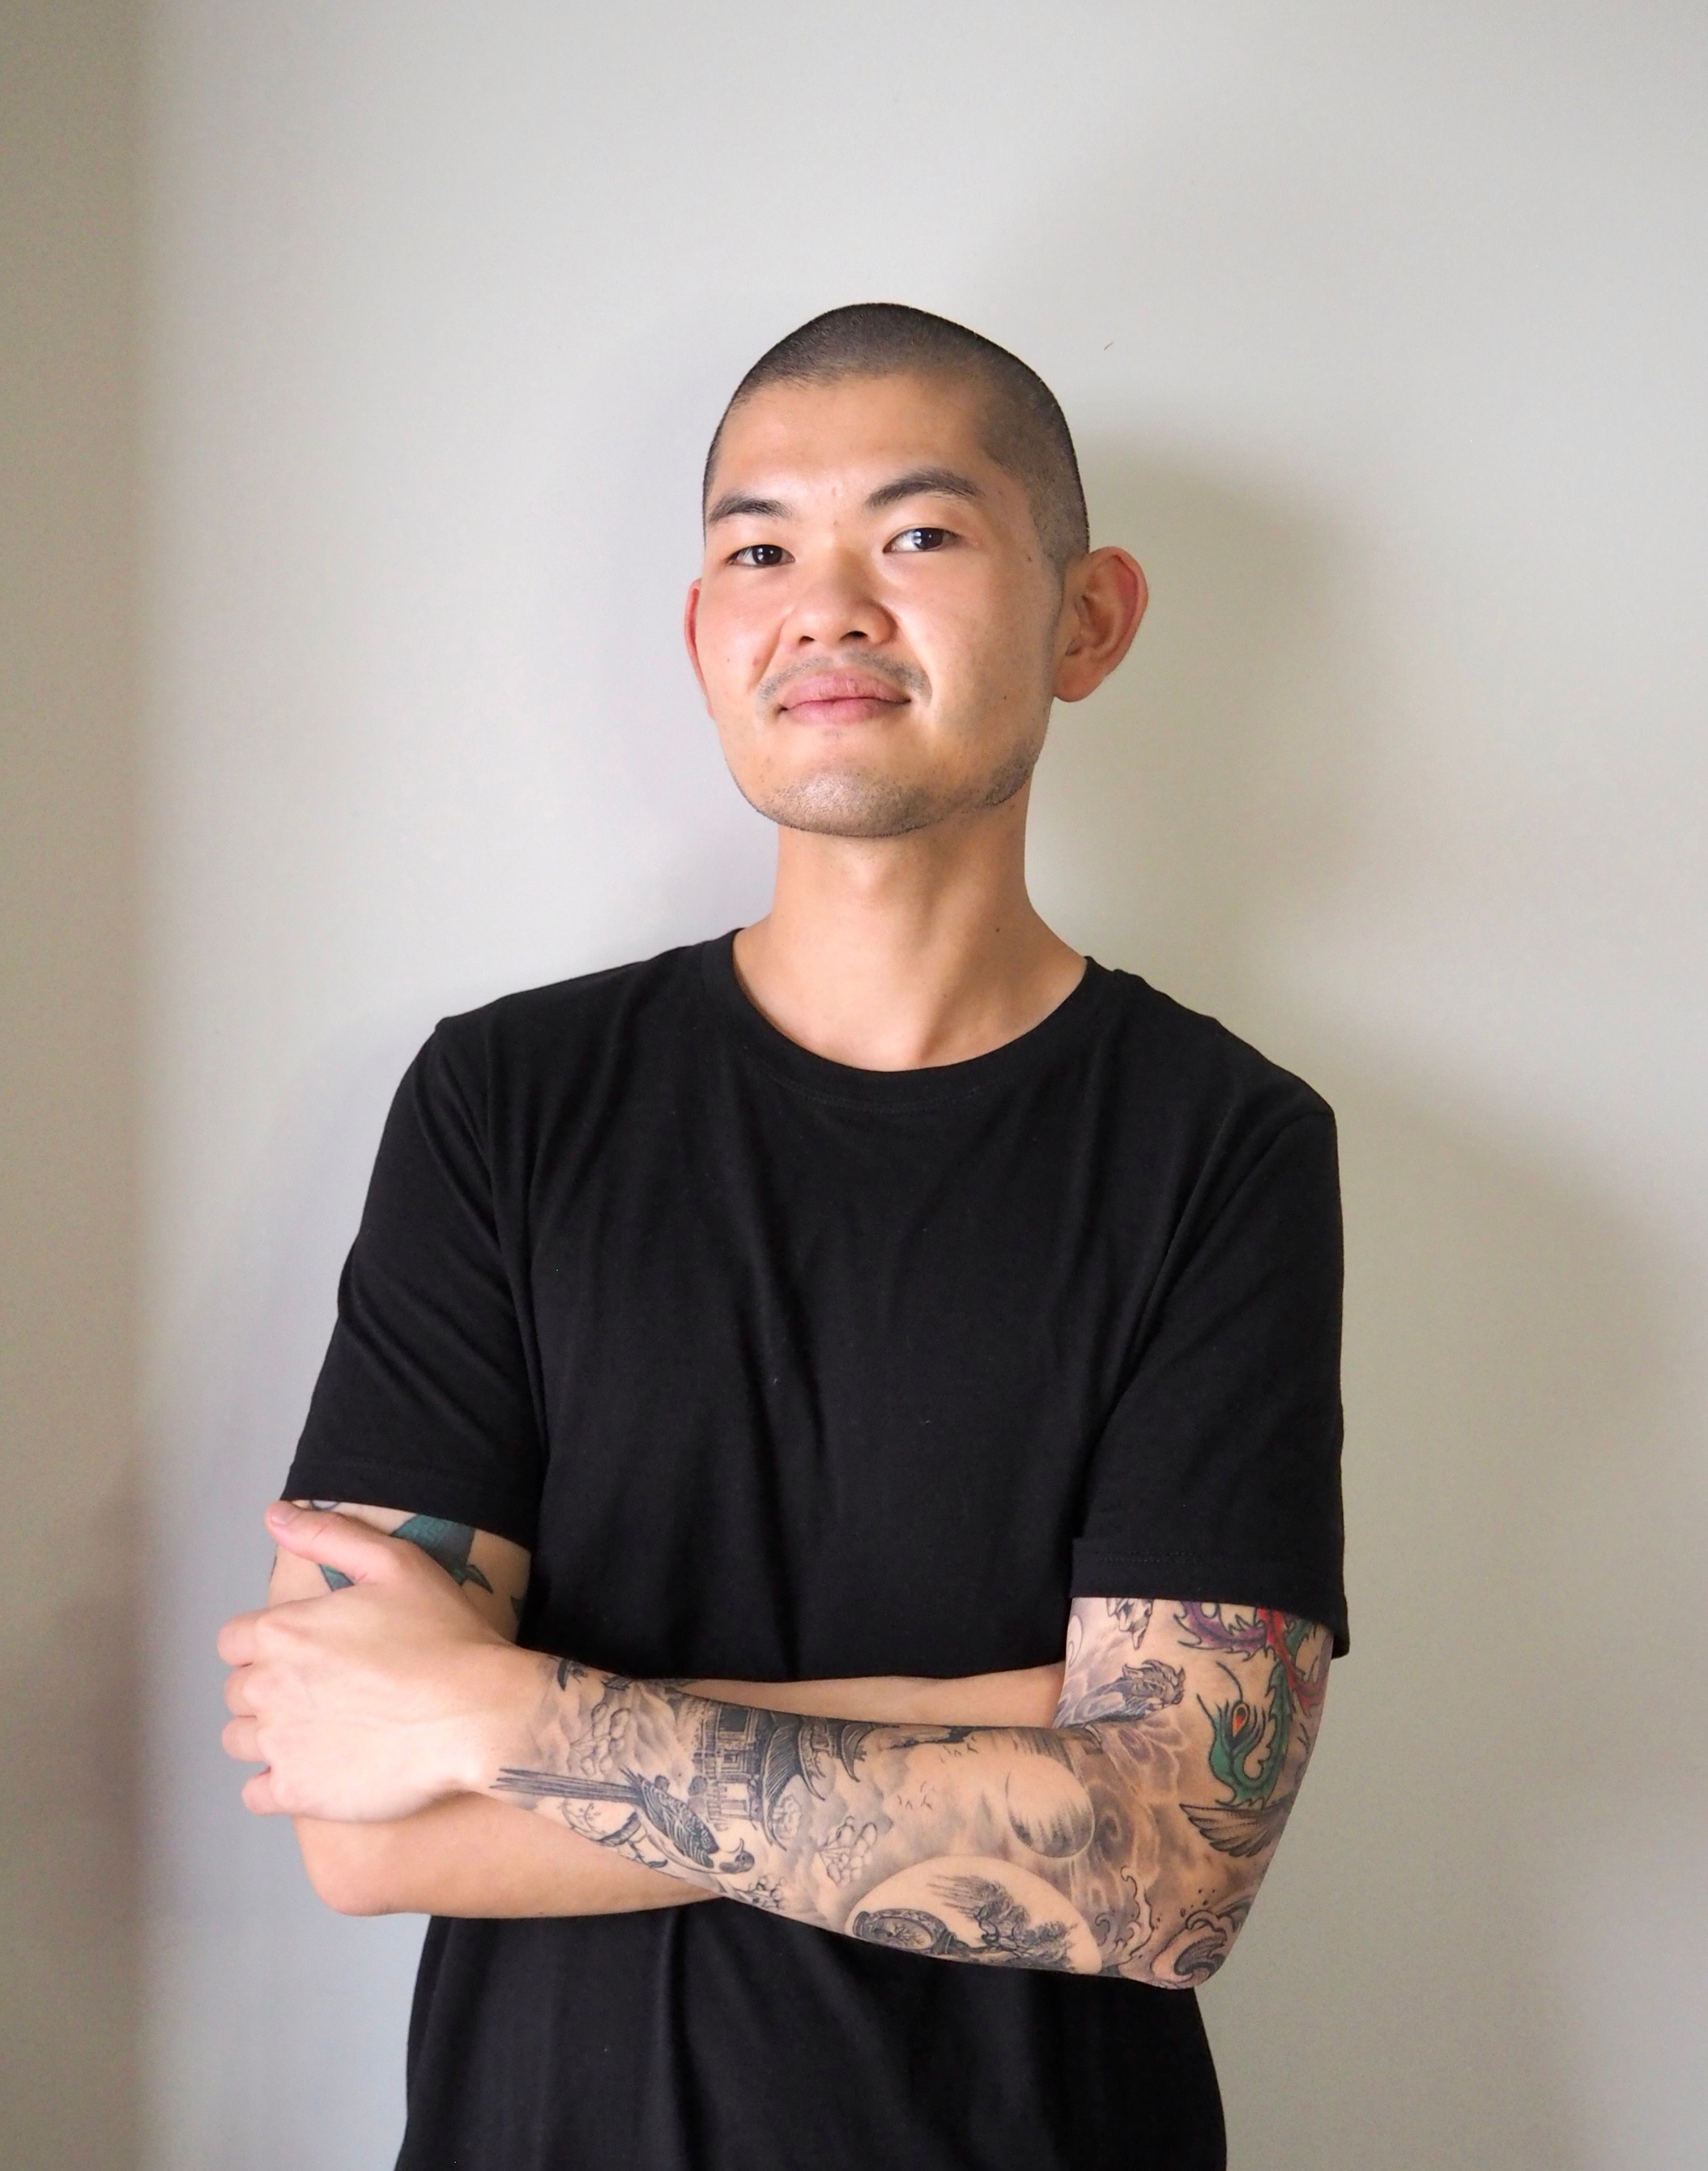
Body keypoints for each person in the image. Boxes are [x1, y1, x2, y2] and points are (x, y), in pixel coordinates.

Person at [218, 303, 1347, 2171]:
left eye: (917, 533)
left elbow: (1166, 1863)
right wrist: (1022, 1732)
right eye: (758, 547)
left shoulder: (1219, 1145)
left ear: (1089, 619)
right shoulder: (503, 1102)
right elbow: (367, 1819)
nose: (822, 604)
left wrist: (500, 1706)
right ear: (700, 632)